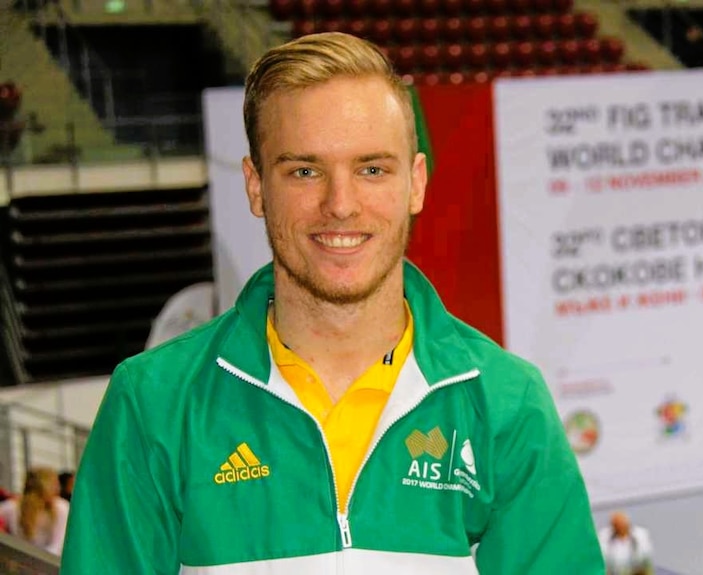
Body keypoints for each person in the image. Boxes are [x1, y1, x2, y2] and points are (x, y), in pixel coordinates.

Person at [61, 32, 604, 574]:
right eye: (304, 171)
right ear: (256, 187)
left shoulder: (507, 403)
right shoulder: (155, 403)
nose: (340, 206)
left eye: (372, 169)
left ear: (415, 183)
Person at [0, 467, 69, 555]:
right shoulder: (11, 508)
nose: (58, 488)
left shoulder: (61, 507)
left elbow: (58, 545)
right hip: (21, 560)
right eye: (54, 485)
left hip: (50, 561)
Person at [598, 511, 654, 575]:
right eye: (616, 525)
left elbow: (645, 562)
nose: (620, 527)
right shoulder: (605, 538)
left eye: (622, 524)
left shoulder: (640, 536)